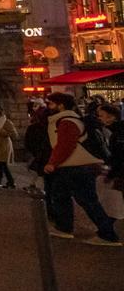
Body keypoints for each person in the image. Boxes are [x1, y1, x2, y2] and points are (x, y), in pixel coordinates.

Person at [42, 93, 118, 245]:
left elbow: (65, 145)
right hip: (71, 166)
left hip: (77, 166)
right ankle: (64, 228)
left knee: (87, 200)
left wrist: (53, 162)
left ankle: (108, 234)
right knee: (61, 196)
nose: (48, 107)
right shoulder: (66, 120)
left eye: (51, 104)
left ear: (61, 105)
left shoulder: (67, 121)